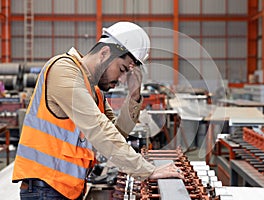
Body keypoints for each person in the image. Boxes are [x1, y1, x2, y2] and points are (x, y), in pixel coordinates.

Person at [12, 21, 184, 200]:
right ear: (104, 54)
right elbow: (100, 129)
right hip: (45, 189)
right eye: (122, 69)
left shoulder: (93, 91)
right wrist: (146, 170)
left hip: (65, 188)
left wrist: (133, 97)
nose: (122, 79)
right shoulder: (63, 70)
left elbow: (117, 134)